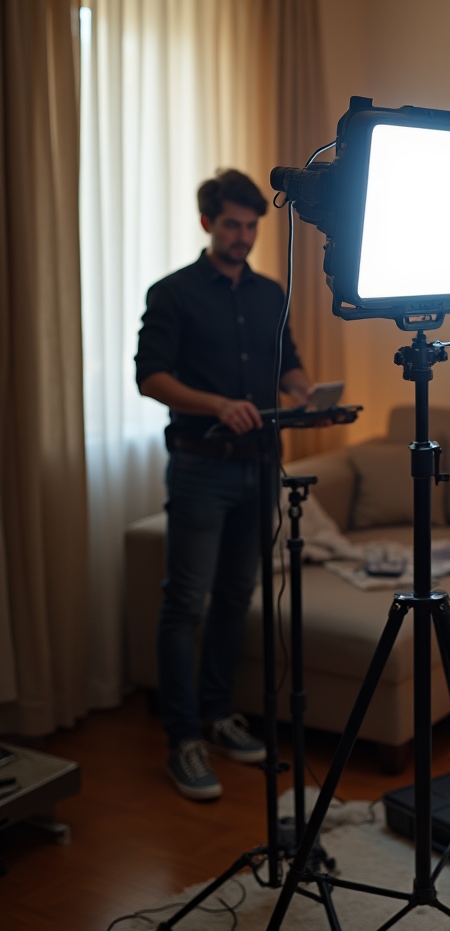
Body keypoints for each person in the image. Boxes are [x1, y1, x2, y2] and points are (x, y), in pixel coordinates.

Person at [136, 168, 313, 801]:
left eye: (251, 226)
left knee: (238, 597)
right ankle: (182, 737)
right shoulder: (173, 294)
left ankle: (217, 716)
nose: (243, 236)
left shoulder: (270, 295)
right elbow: (150, 377)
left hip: (262, 462)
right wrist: (215, 404)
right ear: (208, 223)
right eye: (233, 225)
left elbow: (285, 359)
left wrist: (304, 388)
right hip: (201, 465)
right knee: (185, 602)